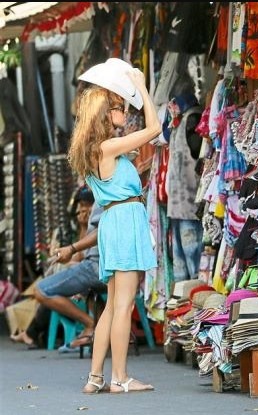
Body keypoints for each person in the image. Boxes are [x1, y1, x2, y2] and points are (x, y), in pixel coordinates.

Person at [68, 63, 160, 394]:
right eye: (119, 106)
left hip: (115, 221)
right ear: (106, 113)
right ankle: (120, 378)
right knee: (123, 304)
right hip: (123, 222)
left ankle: (96, 377)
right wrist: (142, 87)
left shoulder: (101, 149)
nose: (123, 109)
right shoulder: (107, 148)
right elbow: (154, 128)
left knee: (112, 304)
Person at [11, 189, 103, 350]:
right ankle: (99, 328)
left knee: (42, 290)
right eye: (80, 205)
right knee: (66, 278)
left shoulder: (103, 199)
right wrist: (82, 227)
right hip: (102, 266)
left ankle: (91, 325)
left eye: (85, 205)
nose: (82, 210)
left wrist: (72, 249)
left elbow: (94, 240)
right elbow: (83, 254)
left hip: (97, 267)